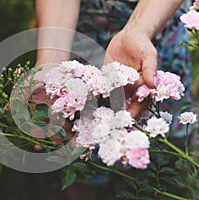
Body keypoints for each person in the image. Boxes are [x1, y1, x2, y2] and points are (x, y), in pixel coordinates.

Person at [34, 0, 193, 199]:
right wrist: (52, 65)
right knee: (80, 155)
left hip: (158, 25)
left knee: (166, 148)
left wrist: (137, 30)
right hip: (82, 33)